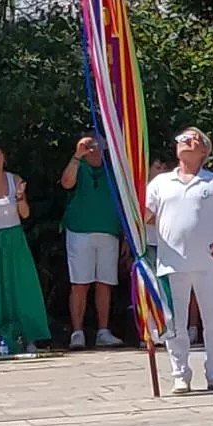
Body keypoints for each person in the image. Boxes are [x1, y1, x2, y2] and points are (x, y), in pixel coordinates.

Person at [145, 128, 213, 393]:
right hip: (170, 264)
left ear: (204, 151)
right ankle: (180, 374)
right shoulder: (160, 183)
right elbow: (146, 216)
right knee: (175, 323)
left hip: (209, 263)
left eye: (193, 140)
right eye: (182, 139)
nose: (186, 142)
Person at [0, 145, 50, 355]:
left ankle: (29, 336)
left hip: (14, 238)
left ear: (4, 158)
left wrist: (21, 197)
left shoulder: (15, 180)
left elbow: (25, 214)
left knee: (22, 287)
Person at [59, 135, 124, 349]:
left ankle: (103, 331)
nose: (94, 150)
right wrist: (78, 155)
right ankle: (77, 332)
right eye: (89, 146)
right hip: (80, 230)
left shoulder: (113, 168)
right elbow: (66, 183)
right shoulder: (79, 165)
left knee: (105, 282)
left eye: (98, 146)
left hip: (109, 230)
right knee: (80, 282)